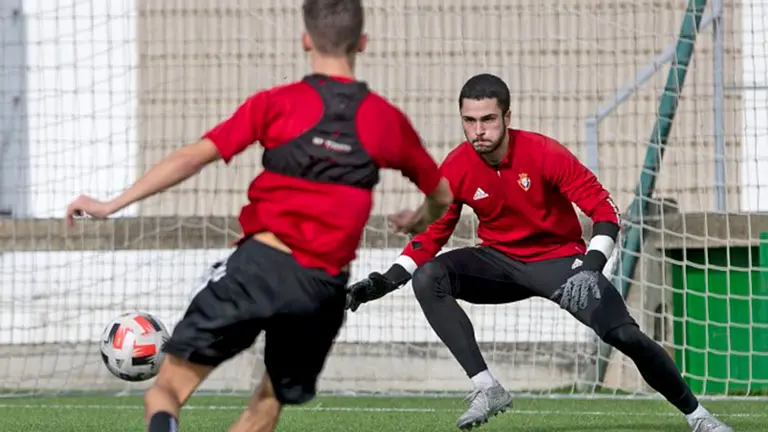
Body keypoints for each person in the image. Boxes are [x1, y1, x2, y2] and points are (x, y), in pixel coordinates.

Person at [65, 1, 453, 431]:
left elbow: (194, 157)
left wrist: (111, 204)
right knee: (265, 407)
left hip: (260, 267)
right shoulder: (386, 121)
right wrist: (419, 218)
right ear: (363, 43)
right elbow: (442, 194)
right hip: (320, 289)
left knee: (166, 390)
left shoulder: (278, 103)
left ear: (306, 39)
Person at [345, 73, 733, 432]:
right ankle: (487, 387)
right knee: (430, 277)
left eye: (488, 119)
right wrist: (385, 281)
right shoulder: (456, 167)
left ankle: (698, 416)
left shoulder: (545, 152)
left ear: (507, 116)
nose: (478, 131)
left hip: (563, 265)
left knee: (625, 335)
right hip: (498, 262)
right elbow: (432, 233)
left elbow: (604, 211)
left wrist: (592, 266)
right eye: (469, 121)